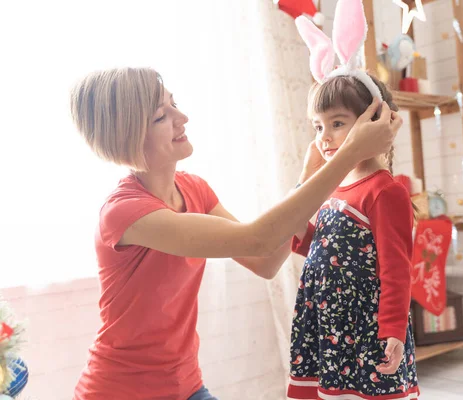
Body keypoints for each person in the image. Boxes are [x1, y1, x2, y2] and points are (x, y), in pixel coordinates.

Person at [69, 66, 401, 400]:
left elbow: (265, 260)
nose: (182, 117)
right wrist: (348, 156)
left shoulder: (193, 189)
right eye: (161, 117)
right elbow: (257, 239)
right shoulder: (125, 212)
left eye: (174, 104)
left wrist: (308, 178)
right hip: (119, 392)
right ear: (127, 135)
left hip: (186, 386)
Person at [287, 1, 419, 399]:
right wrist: (298, 222)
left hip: (365, 330)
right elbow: (321, 249)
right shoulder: (333, 189)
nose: (324, 137)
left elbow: (396, 268)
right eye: (318, 126)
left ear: (373, 119)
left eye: (338, 123)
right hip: (328, 326)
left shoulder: (384, 191)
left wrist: (393, 328)